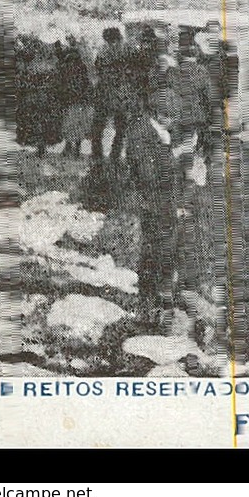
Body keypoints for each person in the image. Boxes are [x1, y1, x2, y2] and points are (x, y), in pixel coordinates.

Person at [126, 89, 182, 329]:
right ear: (159, 114)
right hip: (152, 202)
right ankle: (149, 304)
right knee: (154, 252)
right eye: (171, 116)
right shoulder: (142, 135)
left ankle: (157, 300)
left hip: (161, 202)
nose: (173, 122)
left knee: (162, 250)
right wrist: (173, 157)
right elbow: (149, 175)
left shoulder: (157, 133)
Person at [91, 27, 139, 161]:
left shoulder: (102, 50)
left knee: (98, 124)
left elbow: (97, 69)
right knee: (120, 124)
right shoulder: (126, 49)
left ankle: (97, 153)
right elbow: (133, 70)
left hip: (104, 90)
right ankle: (115, 153)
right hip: (121, 91)